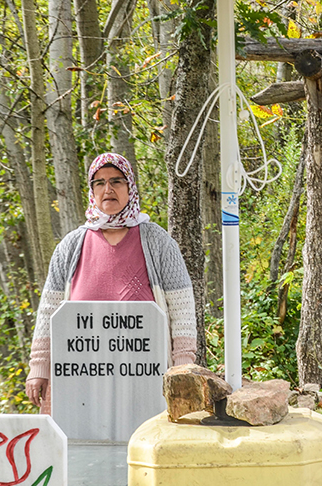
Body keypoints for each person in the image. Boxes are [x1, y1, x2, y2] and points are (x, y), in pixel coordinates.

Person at [25, 153, 197, 413]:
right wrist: (39, 367)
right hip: (80, 377)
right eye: (100, 183)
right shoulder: (70, 246)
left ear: (130, 187)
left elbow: (182, 309)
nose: (108, 189)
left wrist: (183, 369)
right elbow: (49, 311)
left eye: (116, 181)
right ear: (92, 191)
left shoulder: (159, 243)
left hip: (145, 378)